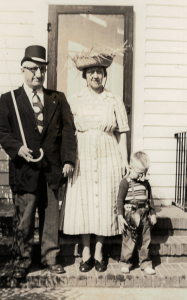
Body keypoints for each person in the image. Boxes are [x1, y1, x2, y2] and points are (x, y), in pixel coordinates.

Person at [0, 45, 76, 279]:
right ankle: (22, 260)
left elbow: (68, 131)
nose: (38, 74)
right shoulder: (9, 99)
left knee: (50, 217)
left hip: (52, 171)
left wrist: (68, 159)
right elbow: (1, 130)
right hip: (24, 170)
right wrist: (17, 148)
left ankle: (50, 258)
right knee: (25, 218)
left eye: (42, 69)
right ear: (23, 69)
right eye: (33, 69)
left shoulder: (57, 99)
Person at [61, 49, 129, 272]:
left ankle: (99, 251)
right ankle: (85, 251)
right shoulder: (75, 100)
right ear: (85, 76)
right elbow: (68, 133)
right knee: (85, 202)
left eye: (99, 71)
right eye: (91, 72)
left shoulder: (113, 100)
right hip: (83, 156)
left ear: (104, 74)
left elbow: (123, 132)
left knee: (104, 203)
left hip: (108, 154)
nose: (95, 76)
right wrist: (69, 159)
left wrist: (124, 160)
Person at [117, 151, 157, 275]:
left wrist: (153, 213)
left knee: (145, 240)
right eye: (140, 174)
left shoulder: (146, 183)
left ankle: (145, 263)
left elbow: (150, 200)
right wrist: (120, 216)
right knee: (129, 239)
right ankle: (125, 262)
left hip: (144, 215)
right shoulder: (125, 182)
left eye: (145, 173)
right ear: (130, 168)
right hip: (131, 215)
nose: (143, 177)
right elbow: (119, 200)